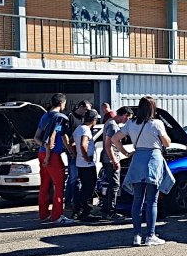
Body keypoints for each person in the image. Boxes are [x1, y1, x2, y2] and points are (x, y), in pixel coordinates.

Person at [112, 96, 173, 247]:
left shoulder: (131, 123)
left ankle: (136, 235)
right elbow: (167, 143)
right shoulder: (157, 123)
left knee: (137, 199)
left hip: (137, 159)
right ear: (153, 108)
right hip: (153, 159)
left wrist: (125, 153)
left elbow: (114, 139)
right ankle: (150, 235)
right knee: (152, 200)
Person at [37, 93, 74, 225]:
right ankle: (57, 216)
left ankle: (44, 214)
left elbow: (37, 137)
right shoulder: (59, 117)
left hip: (41, 153)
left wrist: (44, 149)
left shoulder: (45, 116)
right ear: (61, 103)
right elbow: (52, 137)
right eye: (64, 103)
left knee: (44, 185)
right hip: (52, 155)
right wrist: (49, 155)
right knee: (59, 186)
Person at [98, 106, 130, 220]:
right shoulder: (113, 126)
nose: (128, 121)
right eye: (128, 118)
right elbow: (108, 145)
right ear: (125, 115)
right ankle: (111, 212)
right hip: (110, 159)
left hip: (107, 158)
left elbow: (115, 144)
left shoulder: (109, 121)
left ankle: (105, 208)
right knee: (115, 185)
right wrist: (114, 160)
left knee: (110, 184)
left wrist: (126, 154)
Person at [72, 110, 101, 222]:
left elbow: (71, 142)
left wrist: (75, 154)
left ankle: (80, 210)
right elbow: (83, 144)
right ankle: (86, 212)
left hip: (80, 164)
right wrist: (86, 157)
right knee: (89, 189)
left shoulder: (78, 128)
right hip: (87, 165)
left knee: (84, 188)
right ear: (93, 120)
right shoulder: (86, 130)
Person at [65, 100, 92, 213]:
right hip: (73, 154)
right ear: (81, 107)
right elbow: (66, 137)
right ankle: (69, 202)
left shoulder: (83, 120)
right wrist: (71, 152)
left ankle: (78, 203)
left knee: (80, 180)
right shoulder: (70, 117)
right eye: (86, 110)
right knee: (73, 179)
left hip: (81, 154)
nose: (87, 113)